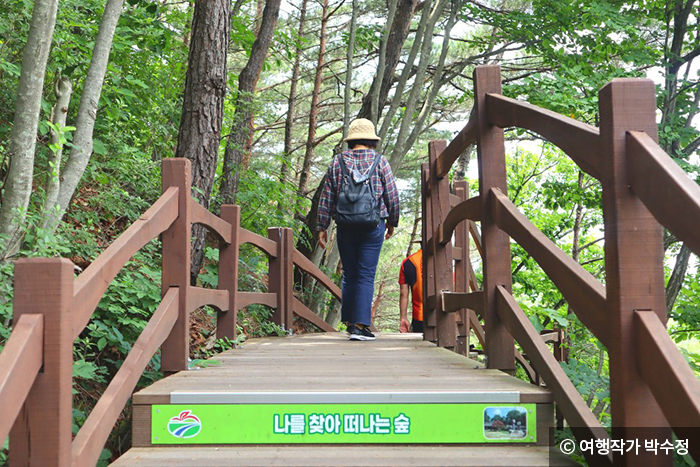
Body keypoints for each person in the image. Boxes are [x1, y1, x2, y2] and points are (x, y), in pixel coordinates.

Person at [317, 118, 399, 341]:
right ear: (371, 140)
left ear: (351, 141)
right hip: (373, 224)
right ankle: (360, 326)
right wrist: (392, 221)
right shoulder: (380, 162)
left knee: (350, 273)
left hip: (345, 224)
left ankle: (350, 322)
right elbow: (391, 195)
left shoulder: (337, 162)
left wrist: (321, 226)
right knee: (365, 274)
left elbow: (327, 196)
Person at [398, 248, 423, 333]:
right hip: (442, 316)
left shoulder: (408, 262)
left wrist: (403, 318)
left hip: (419, 317)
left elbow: (403, 294)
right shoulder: (444, 261)